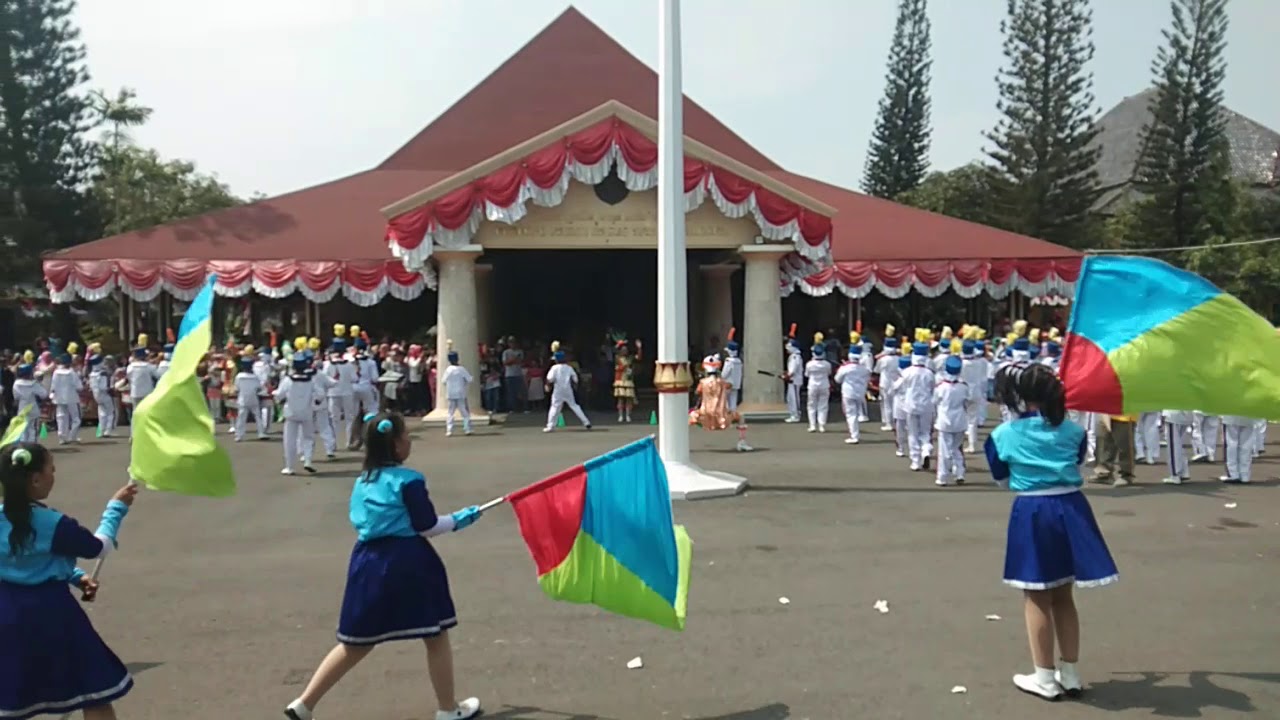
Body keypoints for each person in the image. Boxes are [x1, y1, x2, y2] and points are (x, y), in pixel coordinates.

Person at [282, 412, 482, 720]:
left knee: (356, 642)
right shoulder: (410, 480)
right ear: (396, 445)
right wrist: (459, 520)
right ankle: (447, 709)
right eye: (407, 437)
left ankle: (305, 703)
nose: (409, 442)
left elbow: (359, 520)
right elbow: (426, 525)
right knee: (436, 635)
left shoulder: (363, 480)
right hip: (409, 561)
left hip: (367, 562)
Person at [985, 363, 1117, 701]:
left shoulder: (1003, 435)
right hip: (1072, 507)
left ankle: (1044, 676)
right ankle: (1069, 672)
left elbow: (1001, 478)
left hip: (1032, 509)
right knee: (1063, 594)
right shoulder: (1073, 430)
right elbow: (1079, 462)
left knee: (1036, 594)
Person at [0, 442, 139, 719]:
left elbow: (20, 560)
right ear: (36, 479)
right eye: (51, 469)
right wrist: (116, 508)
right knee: (94, 691)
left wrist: (75, 577)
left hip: (6, 612)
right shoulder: (53, 522)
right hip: (52, 613)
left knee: (11, 696)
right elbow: (97, 547)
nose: (54, 474)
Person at [689, 353, 753, 452]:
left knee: (687, 419)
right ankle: (742, 443)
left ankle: (682, 444)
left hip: (705, 413)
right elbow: (730, 385)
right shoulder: (722, 383)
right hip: (722, 415)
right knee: (741, 418)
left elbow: (697, 392)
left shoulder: (702, 382)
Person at [892, 335, 936, 471]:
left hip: (910, 405)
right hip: (926, 405)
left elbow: (896, 387)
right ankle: (926, 451)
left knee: (913, 433)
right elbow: (932, 388)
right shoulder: (930, 373)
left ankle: (915, 461)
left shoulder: (907, 372)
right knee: (925, 433)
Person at [275, 354, 318, 476]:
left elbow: (279, 395)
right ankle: (308, 460)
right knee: (308, 437)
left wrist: (276, 397)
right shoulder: (310, 380)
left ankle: (289, 467)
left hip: (291, 413)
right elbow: (319, 394)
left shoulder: (288, 380)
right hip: (307, 412)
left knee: (289, 440)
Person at [933, 355, 968, 486]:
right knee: (957, 448)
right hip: (960, 419)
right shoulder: (963, 386)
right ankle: (960, 473)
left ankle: (942, 477)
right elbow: (967, 401)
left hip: (945, 420)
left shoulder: (941, 387)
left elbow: (934, 401)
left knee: (944, 451)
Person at [543, 342, 591, 432]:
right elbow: (575, 379)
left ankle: (550, 426)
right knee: (574, 406)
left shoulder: (554, 368)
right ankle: (586, 422)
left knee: (554, 407)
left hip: (558, 390)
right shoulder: (569, 368)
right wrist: (575, 386)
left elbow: (549, 379)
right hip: (568, 389)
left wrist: (547, 385)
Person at [324, 327, 358, 450]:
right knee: (349, 418)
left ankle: (333, 444)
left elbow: (324, 379)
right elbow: (354, 378)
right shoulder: (349, 363)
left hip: (332, 393)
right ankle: (348, 442)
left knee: (334, 419)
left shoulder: (327, 364)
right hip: (347, 392)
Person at [834, 335, 870, 445]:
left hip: (848, 393)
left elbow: (837, 379)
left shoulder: (845, 368)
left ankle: (854, 435)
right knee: (857, 413)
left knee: (851, 414)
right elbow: (867, 378)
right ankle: (855, 433)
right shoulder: (864, 369)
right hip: (860, 392)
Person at [1091, 414, 1137, 487]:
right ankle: (1104, 473)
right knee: (1105, 443)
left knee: (1125, 445)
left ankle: (1127, 475)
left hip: (1124, 415)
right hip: (1105, 412)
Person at [439, 342, 473, 438]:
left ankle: (449, 430)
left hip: (451, 393)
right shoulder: (461, 369)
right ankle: (467, 429)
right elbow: (469, 379)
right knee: (464, 412)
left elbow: (443, 381)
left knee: (450, 412)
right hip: (461, 393)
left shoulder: (448, 370)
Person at [49, 354, 83, 445]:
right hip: (71, 397)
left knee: (61, 417)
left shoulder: (56, 372)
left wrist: (52, 394)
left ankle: (62, 437)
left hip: (59, 397)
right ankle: (72, 436)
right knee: (76, 418)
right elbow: (79, 387)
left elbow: (53, 385)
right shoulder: (72, 373)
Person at [873, 325, 901, 431]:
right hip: (896, 382)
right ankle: (896, 421)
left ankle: (888, 423)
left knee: (886, 404)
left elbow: (876, 370)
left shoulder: (883, 359)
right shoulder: (899, 358)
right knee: (895, 403)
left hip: (885, 382)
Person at [804, 333, 832, 433]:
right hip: (824, 385)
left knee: (811, 405)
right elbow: (829, 373)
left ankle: (812, 425)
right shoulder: (827, 364)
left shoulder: (809, 364)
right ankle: (822, 425)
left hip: (812, 385)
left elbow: (806, 375)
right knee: (823, 405)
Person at [11, 364, 47, 444]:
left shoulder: (16, 384)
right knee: (33, 429)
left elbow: (16, 397)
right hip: (33, 408)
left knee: (23, 429)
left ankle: (24, 446)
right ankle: (32, 446)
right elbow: (44, 394)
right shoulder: (34, 384)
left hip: (22, 408)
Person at [1220, 414, 1256, 484]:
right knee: (1246, 445)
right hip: (1249, 415)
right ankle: (1245, 475)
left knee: (1231, 444)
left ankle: (1233, 474)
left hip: (1231, 414)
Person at [1161, 408, 1193, 485]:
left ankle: (1175, 474)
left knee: (1173, 445)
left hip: (1173, 414)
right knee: (1179, 443)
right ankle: (1183, 471)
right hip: (1186, 413)